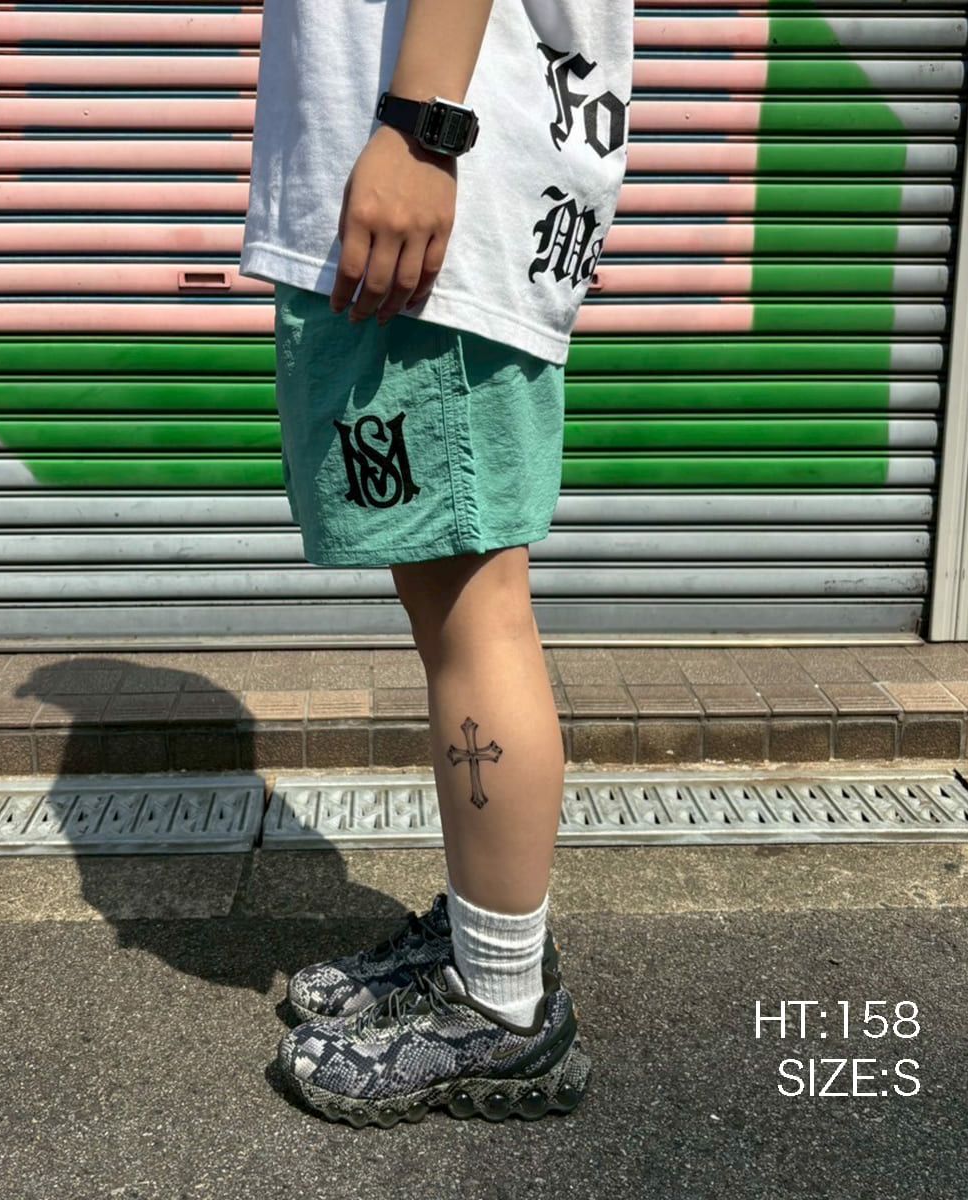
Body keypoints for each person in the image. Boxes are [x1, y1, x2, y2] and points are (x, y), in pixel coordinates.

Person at [239, 0, 633, 1127]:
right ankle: (483, 940)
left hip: (429, 198)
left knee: (473, 603)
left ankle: (503, 1010)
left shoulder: (426, 142)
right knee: (451, 601)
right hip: (422, 189)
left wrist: (422, 127)